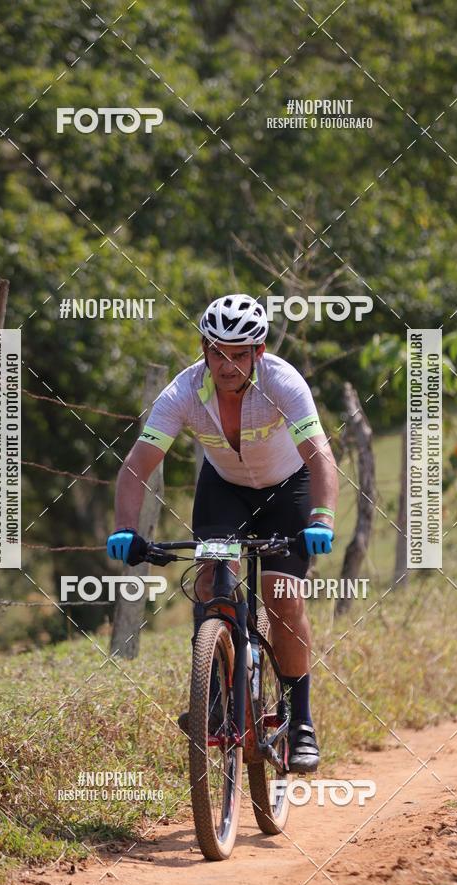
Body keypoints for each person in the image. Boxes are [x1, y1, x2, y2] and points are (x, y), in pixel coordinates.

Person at [107, 293, 338, 772]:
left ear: (260, 350)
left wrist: (321, 519)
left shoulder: (284, 383)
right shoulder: (184, 391)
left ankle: (300, 721)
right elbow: (136, 467)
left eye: (239, 353)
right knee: (212, 579)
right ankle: (213, 694)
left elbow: (319, 457)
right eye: (217, 352)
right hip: (225, 489)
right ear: (203, 350)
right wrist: (126, 529)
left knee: (282, 592)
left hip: (288, 489)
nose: (227, 364)